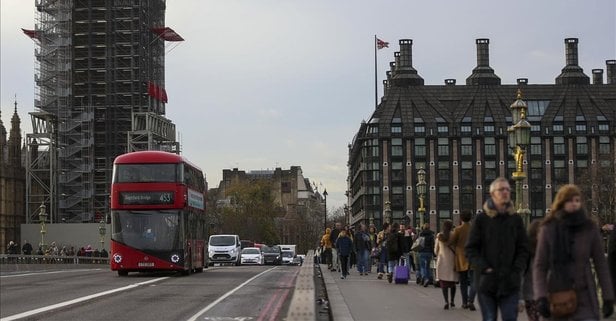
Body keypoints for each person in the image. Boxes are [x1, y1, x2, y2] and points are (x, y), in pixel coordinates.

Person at [533, 184, 614, 321]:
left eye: (577, 200)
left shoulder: (589, 228)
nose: (574, 204)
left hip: (585, 297)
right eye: (570, 200)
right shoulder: (548, 229)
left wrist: (608, 297)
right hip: (558, 295)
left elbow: (601, 264)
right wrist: (541, 297)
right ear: (561, 202)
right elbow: (540, 266)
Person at [466, 177, 529, 321]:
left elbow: (524, 248)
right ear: (493, 193)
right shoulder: (481, 219)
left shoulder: (515, 219)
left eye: (508, 189)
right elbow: (470, 249)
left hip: (510, 282)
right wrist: (484, 267)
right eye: (502, 189)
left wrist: (518, 267)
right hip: (487, 282)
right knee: (489, 318)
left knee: (509, 318)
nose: (506, 192)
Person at [450, 210, 473, 310]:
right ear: (471, 218)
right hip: (473, 257)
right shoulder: (475, 229)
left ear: (461, 218)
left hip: (461, 258)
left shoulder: (458, 230)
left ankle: (464, 302)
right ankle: (471, 300)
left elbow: (452, 242)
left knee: (463, 282)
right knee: (474, 281)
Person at [435, 220, 459, 310]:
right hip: (452, 261)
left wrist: (438, 254)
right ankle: (452, 301)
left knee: (444, 283)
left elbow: (436, 250)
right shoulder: (454, 235)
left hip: (442, 261)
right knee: (452, 283)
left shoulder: (439, 236)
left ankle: (446, 301)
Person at [521, 220, 541, 321]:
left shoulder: (548, 248)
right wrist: (520, 298)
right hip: (531, 294)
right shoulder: (527, 252)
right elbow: (521, 274)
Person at [417, 223, 436, 287]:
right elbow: (432, 245)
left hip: (422, 252)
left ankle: (424, 277)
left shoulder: (421, 234)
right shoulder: (431, 235)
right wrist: (433, 253)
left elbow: (419, 243)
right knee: (427, 266)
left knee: (422, 266)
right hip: (429, 252)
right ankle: (427, 279)